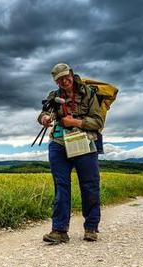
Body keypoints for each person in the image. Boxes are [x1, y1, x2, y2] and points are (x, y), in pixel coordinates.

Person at [38, 63, 104, 243]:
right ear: (56, 81)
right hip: (59, 144)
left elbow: (98, 122)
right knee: (61, 186)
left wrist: (74, 122)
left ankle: (91, 228)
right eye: (59, 79)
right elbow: (44, 112)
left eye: (66, 77)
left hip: (84, 143)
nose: (64, 81)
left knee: (89, 185)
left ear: (72, 74)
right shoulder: (54, 96)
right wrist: (44, 119)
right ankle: (59, 230)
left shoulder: (88, 93)